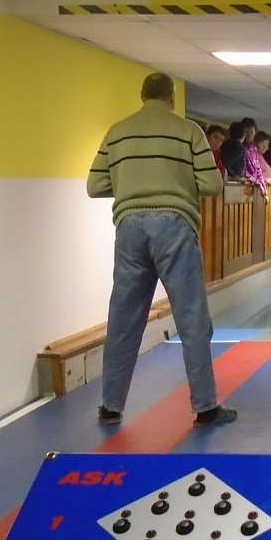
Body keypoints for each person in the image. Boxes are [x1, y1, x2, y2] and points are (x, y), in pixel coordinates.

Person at [86, 73, 237, 427]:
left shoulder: (117, 132)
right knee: (192, 318)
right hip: (175, 224)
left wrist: (132, 186)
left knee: (123, 320)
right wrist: (174, 183)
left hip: (129, 228)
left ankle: (110, 407)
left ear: (142, 96)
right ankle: (205, 407)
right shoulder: (188, 131)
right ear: (171, 97)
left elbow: (95, 185)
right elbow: (212, 184)